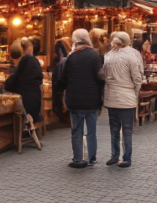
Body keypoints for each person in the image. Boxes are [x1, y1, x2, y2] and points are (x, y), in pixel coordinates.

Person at [57, 29, 104, 168]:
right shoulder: (95, 55)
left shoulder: (71, 57)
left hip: (75, 99)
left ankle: (78, 159)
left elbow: (62, 78)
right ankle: (92, 158)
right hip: (91, 99)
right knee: (91, 131)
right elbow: (100, 77)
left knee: (76, 131)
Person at [100, 32, 144, 168]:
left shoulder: (108, 55)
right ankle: (126, 158)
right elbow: (137, 78)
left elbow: (103, 75)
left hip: (111, 97)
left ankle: (114, 155)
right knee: (127, 130)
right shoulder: (133, 55)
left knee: (114, 129)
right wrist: (134, 92)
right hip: (127, 98)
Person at [5, 37, 43, 147]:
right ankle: (27, 130)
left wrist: (8, 85)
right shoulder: (33, 61)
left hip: (26, 103)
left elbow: (15, 77)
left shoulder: (25, 60)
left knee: (13, 109)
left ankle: (14, 135)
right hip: (35, 102)